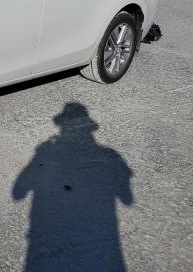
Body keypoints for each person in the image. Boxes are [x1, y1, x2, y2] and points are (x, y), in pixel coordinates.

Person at [12, 102, 133, 272]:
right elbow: (127, 198)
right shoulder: (109, 155)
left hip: (50, 239)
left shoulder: (47, 151)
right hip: (97, 241)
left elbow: (18, 192)